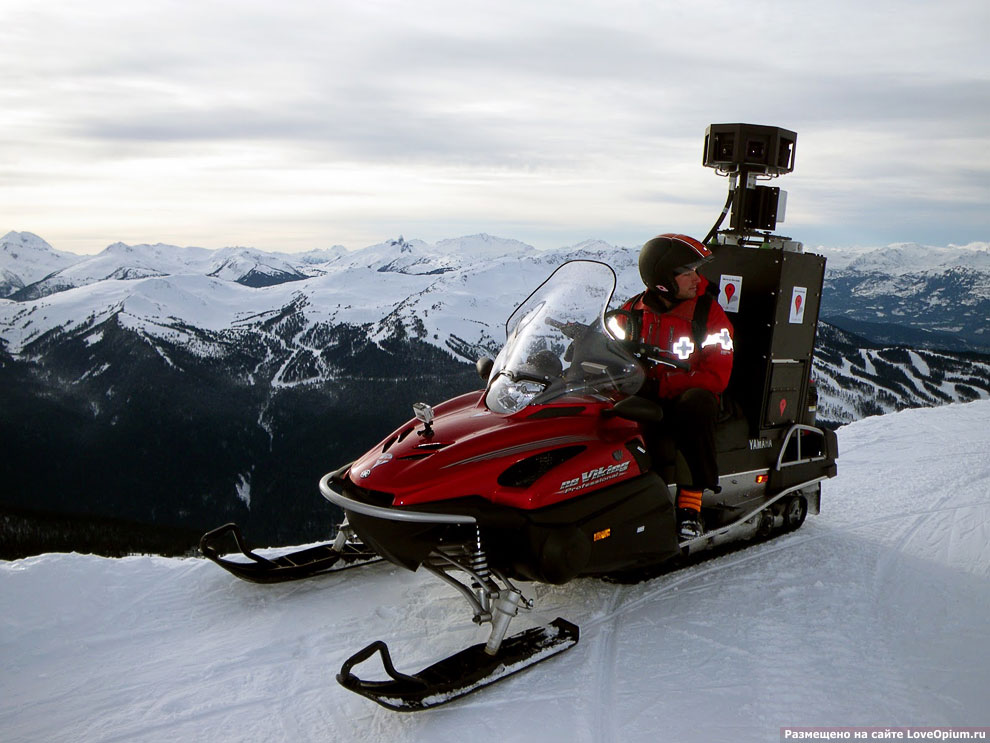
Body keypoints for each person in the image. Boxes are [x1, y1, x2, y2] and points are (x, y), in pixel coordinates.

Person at [619, 233, 734, 540]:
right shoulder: (632, 311)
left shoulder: (707, 314)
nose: (698, 279)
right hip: (646, 392)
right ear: (661, 280)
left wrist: (666, 385)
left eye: (696, 271)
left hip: (686, 399)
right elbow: (610, 348)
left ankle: (689, 506)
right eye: (688, 273)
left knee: (697, 404)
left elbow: (716, 374)